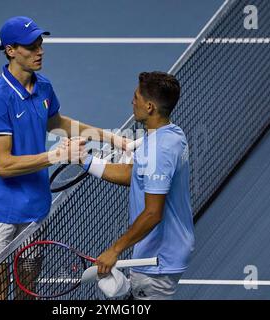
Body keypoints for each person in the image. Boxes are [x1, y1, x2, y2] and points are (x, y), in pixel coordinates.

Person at [0, 16, 128, 299]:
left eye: (40, 44)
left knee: (27, 287)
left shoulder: (43, 86)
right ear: (11, 50)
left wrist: (112, 137)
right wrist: (57, 155)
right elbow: (4, 165)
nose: (40, 51)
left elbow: (56, 121)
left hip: (35, 206)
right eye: (31, 47)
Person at [82, 71, 195, 300]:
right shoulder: (172, 134)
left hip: (157, 261)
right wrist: (85, 161)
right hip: (168, 250)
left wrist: (114, 250)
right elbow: (133, 174)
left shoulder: (158, 150)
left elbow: (153, 213)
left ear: (150, 106)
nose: (132, 102)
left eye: (137, 97)